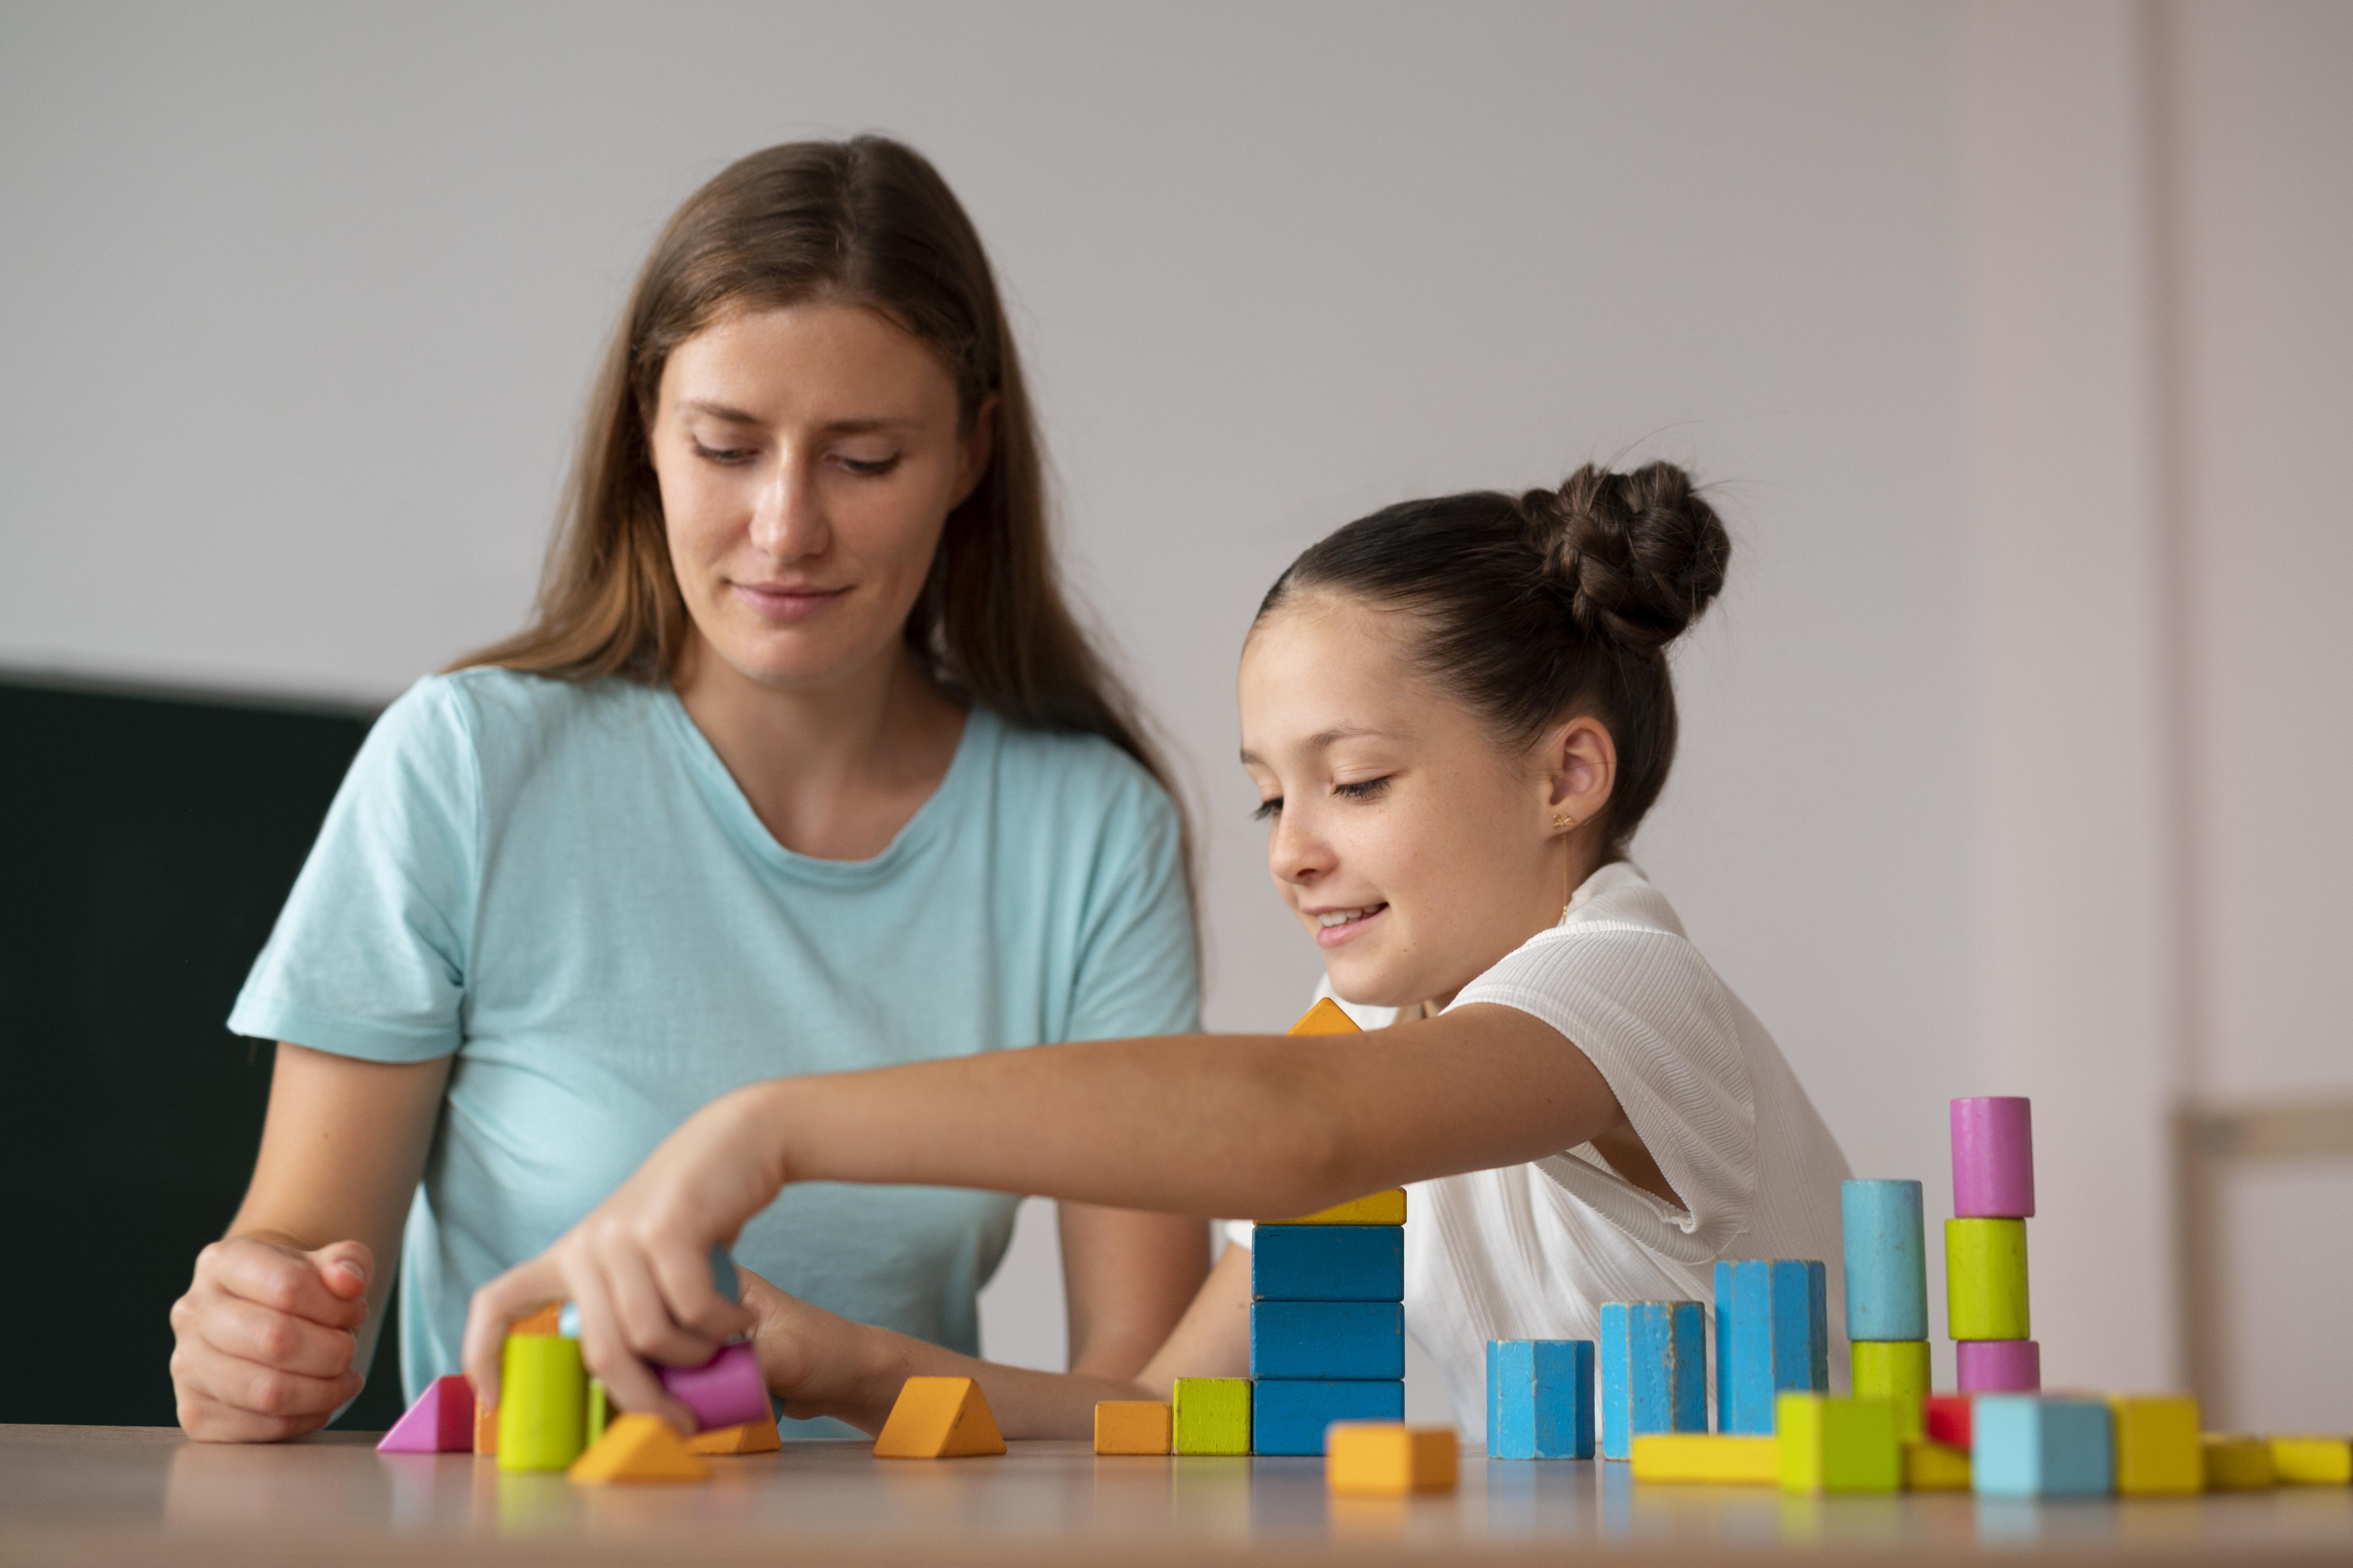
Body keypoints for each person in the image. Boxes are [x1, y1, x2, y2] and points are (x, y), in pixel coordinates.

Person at [461, 460, 1854, 1440]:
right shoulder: (1372, 1055)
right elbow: (1161, 1421)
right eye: (1269, 795)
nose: (1292, 849)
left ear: (1568, 779)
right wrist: (852, 1366)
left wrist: (767, 1130)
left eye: (1355, 781)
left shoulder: (1624, 987)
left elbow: (1292, 1130)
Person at [168, 138, 1209, 1443]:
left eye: (865, 460)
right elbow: (299, 1261)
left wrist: (861, 1370)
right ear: (645, 439)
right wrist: (254, 1339)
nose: (785, 528)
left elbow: (1150, 1407)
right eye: (726, 446)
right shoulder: (466, 765)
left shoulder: (1091, 832)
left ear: (971, 454)